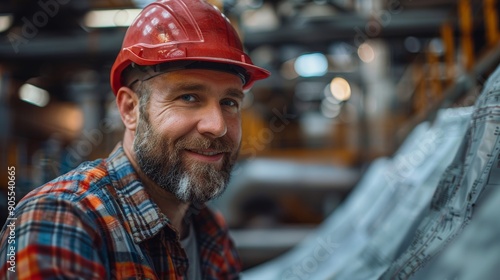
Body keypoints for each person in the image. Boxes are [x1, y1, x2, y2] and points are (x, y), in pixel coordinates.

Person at [0, 0, 270, 278]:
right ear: (130, 109)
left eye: (229, 102)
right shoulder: (61, 220)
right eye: (188, 97)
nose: (217, 126)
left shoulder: (210, 230)